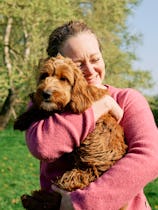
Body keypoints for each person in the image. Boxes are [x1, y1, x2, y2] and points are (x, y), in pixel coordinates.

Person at [26, 21, 158, 210]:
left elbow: (150, 157)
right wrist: (98, 106)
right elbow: (43, 146)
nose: (90, 70)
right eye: (78, 64)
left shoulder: (126, 99)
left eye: (95, 59)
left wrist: (84, 202)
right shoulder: (45, 101)